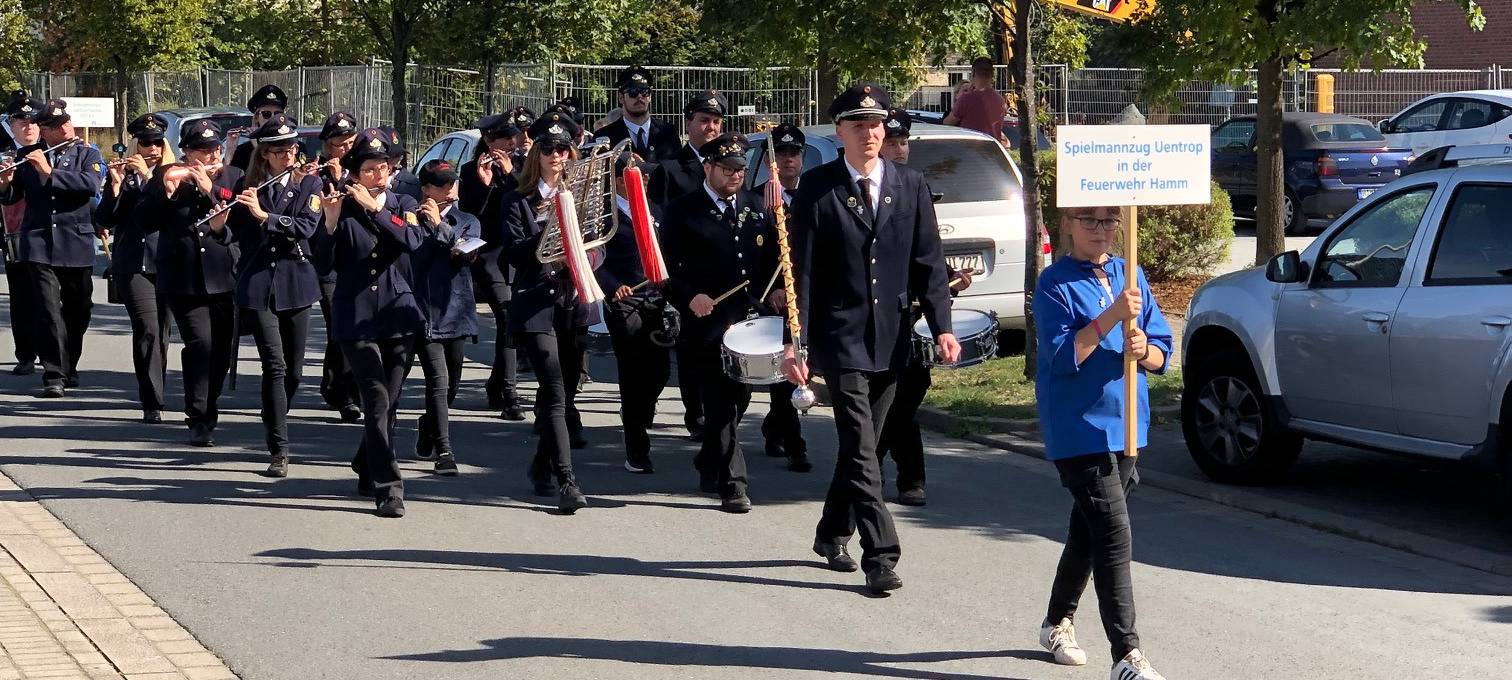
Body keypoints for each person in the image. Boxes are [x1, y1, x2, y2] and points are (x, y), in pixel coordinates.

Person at [783, 83, 959, 594]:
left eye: (877, 125)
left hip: (892, 336)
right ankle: (880, 555)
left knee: (868, 446)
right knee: (861, 448)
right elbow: (804, 274)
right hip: (840, 336)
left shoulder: (910, 184)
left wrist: (943, 326)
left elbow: (928, 261)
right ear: (839, 132)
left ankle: (830, 530)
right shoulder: (818, 187)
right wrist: (799, 342)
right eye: (858, 125)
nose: (870, 134)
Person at [1032, 204, 1171, 680]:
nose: (1101, 229)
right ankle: (1127, 656)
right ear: (1067, 224)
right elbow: (1063, 356)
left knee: (1088, 533)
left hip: (1128, 424)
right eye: (1089, 220)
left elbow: (1161, 349)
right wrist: (1113, 316)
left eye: (1111, 220)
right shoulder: (1054, 283)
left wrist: (1145, 351)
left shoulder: (1131, 273)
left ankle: (1056, 621)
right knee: (1113, 534)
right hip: (1078, 428)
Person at [662, 132, 781, 513]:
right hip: (708, 324)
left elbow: (775, 260)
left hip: (750, 323)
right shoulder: (683, 210)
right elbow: (664, 272)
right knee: (720, 403)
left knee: (741, 398)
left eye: (740, 170)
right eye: (727, 169)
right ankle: (734, 484)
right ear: (708, 167)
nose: (735, 176)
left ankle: (708, 458)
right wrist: (688, 296)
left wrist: (776, 290)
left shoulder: (757, 206)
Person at [313, 128, 425, 518]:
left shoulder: (403, 201)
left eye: (384, 167)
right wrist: (328, 223)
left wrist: (377, 209)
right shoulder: (337, 205)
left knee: (390, 403)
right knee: (376, 400)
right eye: (370, 169)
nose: (379, 175)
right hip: (356, 317)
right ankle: (389, 488)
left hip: (399, 314)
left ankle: (367, 461)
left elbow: (413, 240)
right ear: (354, 173)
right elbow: (323, 264)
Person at [874, 105, 970, 507]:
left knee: (907, 401)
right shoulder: (867, 192)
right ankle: (876, 474)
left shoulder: (915, 187)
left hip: (913, 321)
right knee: (885, 405)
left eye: (903, 143)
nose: (899, 150)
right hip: (880, 318)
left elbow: (926, 251)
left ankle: (902, 475)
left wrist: (949, 283)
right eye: (892, 142)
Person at [499, 111, 592, 514]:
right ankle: (567, 481)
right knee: (554, 390)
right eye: (550, 149)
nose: (558, 155)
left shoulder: (584, 197)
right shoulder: (517, 200)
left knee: (566, 392)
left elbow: (597, 244)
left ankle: (541, 464)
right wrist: (553, 227)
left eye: (564, 149)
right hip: (536, 302)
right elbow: (514, 252)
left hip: (573, 302)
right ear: (536, 154)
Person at [228, 114, 323, 477]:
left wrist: (264, 215)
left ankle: (274, 410)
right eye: (280, 150)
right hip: (258, 285)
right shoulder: (247, 186)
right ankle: (279, 449)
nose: (289, 155)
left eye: (292, 148)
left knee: (295, 372)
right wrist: (227, 219)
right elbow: (233, 236)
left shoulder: (308, 185)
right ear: (265, 154)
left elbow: (305, 228)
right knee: (275, 366)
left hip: (296, 283)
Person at [143, 119, 243, 446]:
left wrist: (208, 187)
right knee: (201, 344)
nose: (209, 155)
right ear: (186, 151)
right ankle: (198, 416)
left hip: (222, 277)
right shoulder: (169, 174)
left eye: (214, 149)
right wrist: (166, 193)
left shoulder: (233, 177)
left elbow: (237, 214)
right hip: (182, 279)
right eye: (201, 150)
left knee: (221, 351)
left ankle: (208, 405)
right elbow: (146, 217)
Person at [0, 98, 102, 398]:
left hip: (76, 242)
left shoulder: (88, 153)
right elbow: (14, 197)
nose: (65, 127)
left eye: (66, 122)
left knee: (78, 309)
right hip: (40, 242)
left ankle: (69, 365)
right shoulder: (29, 155)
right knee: (47, 311)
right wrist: (5, 185)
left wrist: (49, 172)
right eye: (57, 125)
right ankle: (53, 373)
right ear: (45, 131)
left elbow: (90, 186)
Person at [649, 89, 728, 441]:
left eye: (715, 121)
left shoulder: (732, 163)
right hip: (685, 272)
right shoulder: (670, 169)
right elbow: (659, 222)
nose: (710, 127)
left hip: (724, 273)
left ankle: (716, 411)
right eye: (703, 120)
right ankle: (696, 411)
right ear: (688, 123)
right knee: (692, 347)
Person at [96, 113, 173, 423]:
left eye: (156, 143)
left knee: (163, 332)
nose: (151, 149)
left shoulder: (173, 173)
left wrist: (149, 179)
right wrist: (114, 188)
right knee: (148, 329)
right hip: (133, 264)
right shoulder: (126, 176)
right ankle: (152, 400)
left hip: (167, 261)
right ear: (135, 145)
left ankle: (158, 387)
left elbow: (165, 211)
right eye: (145, 143)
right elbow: (106, 219)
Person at [596, 151, 669, 474]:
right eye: (635, 175)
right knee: (633, 370)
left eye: (646, 175)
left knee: (660, 370)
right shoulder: (604, 218)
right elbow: (594, 260)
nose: (645, 180)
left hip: (656, 298)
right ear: (616, 182)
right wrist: (613, 286)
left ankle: (640, 410)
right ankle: (636, 447)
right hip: (624, 301)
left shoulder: (655, 212)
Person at [410, 159, 479, 477]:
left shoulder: (467, 220)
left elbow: (464, 253)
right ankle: (445, 451)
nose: (450, 189)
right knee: (437, 383)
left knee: (451, 385)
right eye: (441, 184)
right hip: (425, 313)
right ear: (426, 189)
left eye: (453, 182)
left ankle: (428, 424)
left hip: (457, 310)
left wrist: (441, 225)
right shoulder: (411, 220)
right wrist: (430, 223)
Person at [749, 123, 811, 473]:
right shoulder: (756, 200)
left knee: (797, 366)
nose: (788, 161)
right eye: (781, 154)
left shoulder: (812, 196)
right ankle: (795, 444)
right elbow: (750, 257)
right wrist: (767, 289)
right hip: (772, 300)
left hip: (805, 297)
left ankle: (776, 427)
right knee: (783, 369)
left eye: (794, 154)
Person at [460, 108, 528, 420]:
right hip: (489, 256)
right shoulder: (471, 170)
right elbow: (471, 214)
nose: (513, 142)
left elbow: (527, 201)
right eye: (505, 137)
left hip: (518, 254)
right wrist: (486, 183)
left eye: (514, 136)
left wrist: (512, 172)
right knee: (507, 315)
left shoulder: (523, 166)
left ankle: (497, 383)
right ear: (489, 140)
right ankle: (511, 392)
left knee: (511, 322)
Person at [311, 111, 363, 423]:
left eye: (349, 143)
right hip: (328, 259)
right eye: (338, 144)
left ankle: (335, 385)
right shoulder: (317, 173)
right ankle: (344, 393)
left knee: (347, 327)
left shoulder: (363, 169)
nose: (344, 149)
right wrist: (336, 177)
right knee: (338, 323)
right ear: (327, 145)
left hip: (356, 258)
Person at [1, 95, 43, 377]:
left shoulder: (54, 152)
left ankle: (57, 351)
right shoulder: (3, 156)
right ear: (11, 125)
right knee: (22, 297)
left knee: (57, 297)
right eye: (20, 121)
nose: (27, 126)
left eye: (33, 120)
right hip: (13, 236)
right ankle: (26, 353)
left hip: (51, 235)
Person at [593, 66, 679, 162]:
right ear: (621, 97)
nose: (639, 97)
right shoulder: (604, 136)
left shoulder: (667, 132)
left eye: (644, 92)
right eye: (633, 92)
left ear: (650, 96)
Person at [943, 57, 1009, 147]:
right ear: (992, 75)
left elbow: (947, 123)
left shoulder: (966, 98)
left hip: (970, 151)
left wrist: (957, 100)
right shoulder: (1000, 101)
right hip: (993, 152)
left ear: (973, 72)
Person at [230, 84, 289, 171]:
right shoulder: (242, 152)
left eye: (277, 114)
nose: (272, 118)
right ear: (257, 117)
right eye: (266, 114)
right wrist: (256, 148)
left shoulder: (292, 148)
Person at [376, 126, 422, 202]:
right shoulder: (359, 181)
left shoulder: (412, 187)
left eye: (397, 156)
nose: (394, 161)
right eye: (388, 157)